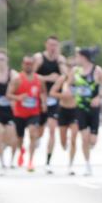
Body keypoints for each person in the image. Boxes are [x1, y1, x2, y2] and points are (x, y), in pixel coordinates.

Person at [64, 47, 102, 177]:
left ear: (83, 57)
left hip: (94, 109)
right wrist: (68, 90)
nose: (76, 59)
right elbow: (67, 84)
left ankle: (89, 149)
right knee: (84, 138)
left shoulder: (97, 71)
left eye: (77, 56)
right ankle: (87, 164)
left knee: (92, 141)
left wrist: (100, 96)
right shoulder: (75, 71)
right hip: (80, 108)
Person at [7, 55, 46, 173]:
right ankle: (21, 150)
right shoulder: (17, 79)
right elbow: (8, 95)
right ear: (22, 65)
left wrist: (44, 103)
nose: (28, 65)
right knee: (19, 138)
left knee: (33, 133)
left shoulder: (39, 79)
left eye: (30, 63)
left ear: (34, 65)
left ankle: (30, 161)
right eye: (26, 63)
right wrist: (18, 97)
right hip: (20, 113)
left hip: (34, 112)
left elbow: (43, 92)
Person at [34, 35, 64, 173]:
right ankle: (36, 140)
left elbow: (66, 76)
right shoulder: (39, 58)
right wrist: (47, 78)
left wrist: (61, 65)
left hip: (54, 98)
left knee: (52, 130)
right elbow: (30, 76)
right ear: (46, 44)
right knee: (39, 131)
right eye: (51, 44)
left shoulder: (60, 59)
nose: (53, 48)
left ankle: (48, 161)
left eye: (55, 45)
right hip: (40, 97)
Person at [50, 56, 80, 175]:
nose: (72, 69)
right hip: (63, 110)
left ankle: (71, 165)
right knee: (63, 142)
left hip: (75, 111)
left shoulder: (79, 80)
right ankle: (64, 144)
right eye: (70, 66)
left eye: (74, 66)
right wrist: (63, 96)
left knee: (74, 137)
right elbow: (52, 92)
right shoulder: (62, 79)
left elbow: (87, 92)